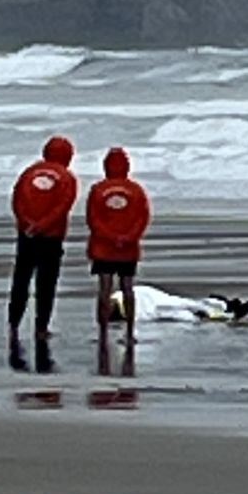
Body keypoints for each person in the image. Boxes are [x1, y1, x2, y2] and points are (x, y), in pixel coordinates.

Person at [7, 134, 77, 371]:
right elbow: (63, 206)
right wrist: (43, 225)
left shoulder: (28, 173)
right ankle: (41, 327)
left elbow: (16, 199)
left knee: (21, 279)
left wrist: (26, 222)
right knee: (46, 284)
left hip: (25, 234)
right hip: (50, 236)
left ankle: (14, 324)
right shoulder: (67, 178)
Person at [86, 146, 151, 350]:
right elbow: (143, 217)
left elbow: (93, 219)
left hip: (104, 247)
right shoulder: (136, 190)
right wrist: (128, 237)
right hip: (128, 248)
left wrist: (110, 237)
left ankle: (103, 332)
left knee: (104, 289)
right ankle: (130, 331)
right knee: (127, 289)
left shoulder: (98, 189)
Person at [109, 284, 248, 325]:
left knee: (180, 306)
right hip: (140, 305)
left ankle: (222, 307)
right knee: (181, 310)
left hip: (141, 300)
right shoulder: (136, 314)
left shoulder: (118, 299)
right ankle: (222, 308)